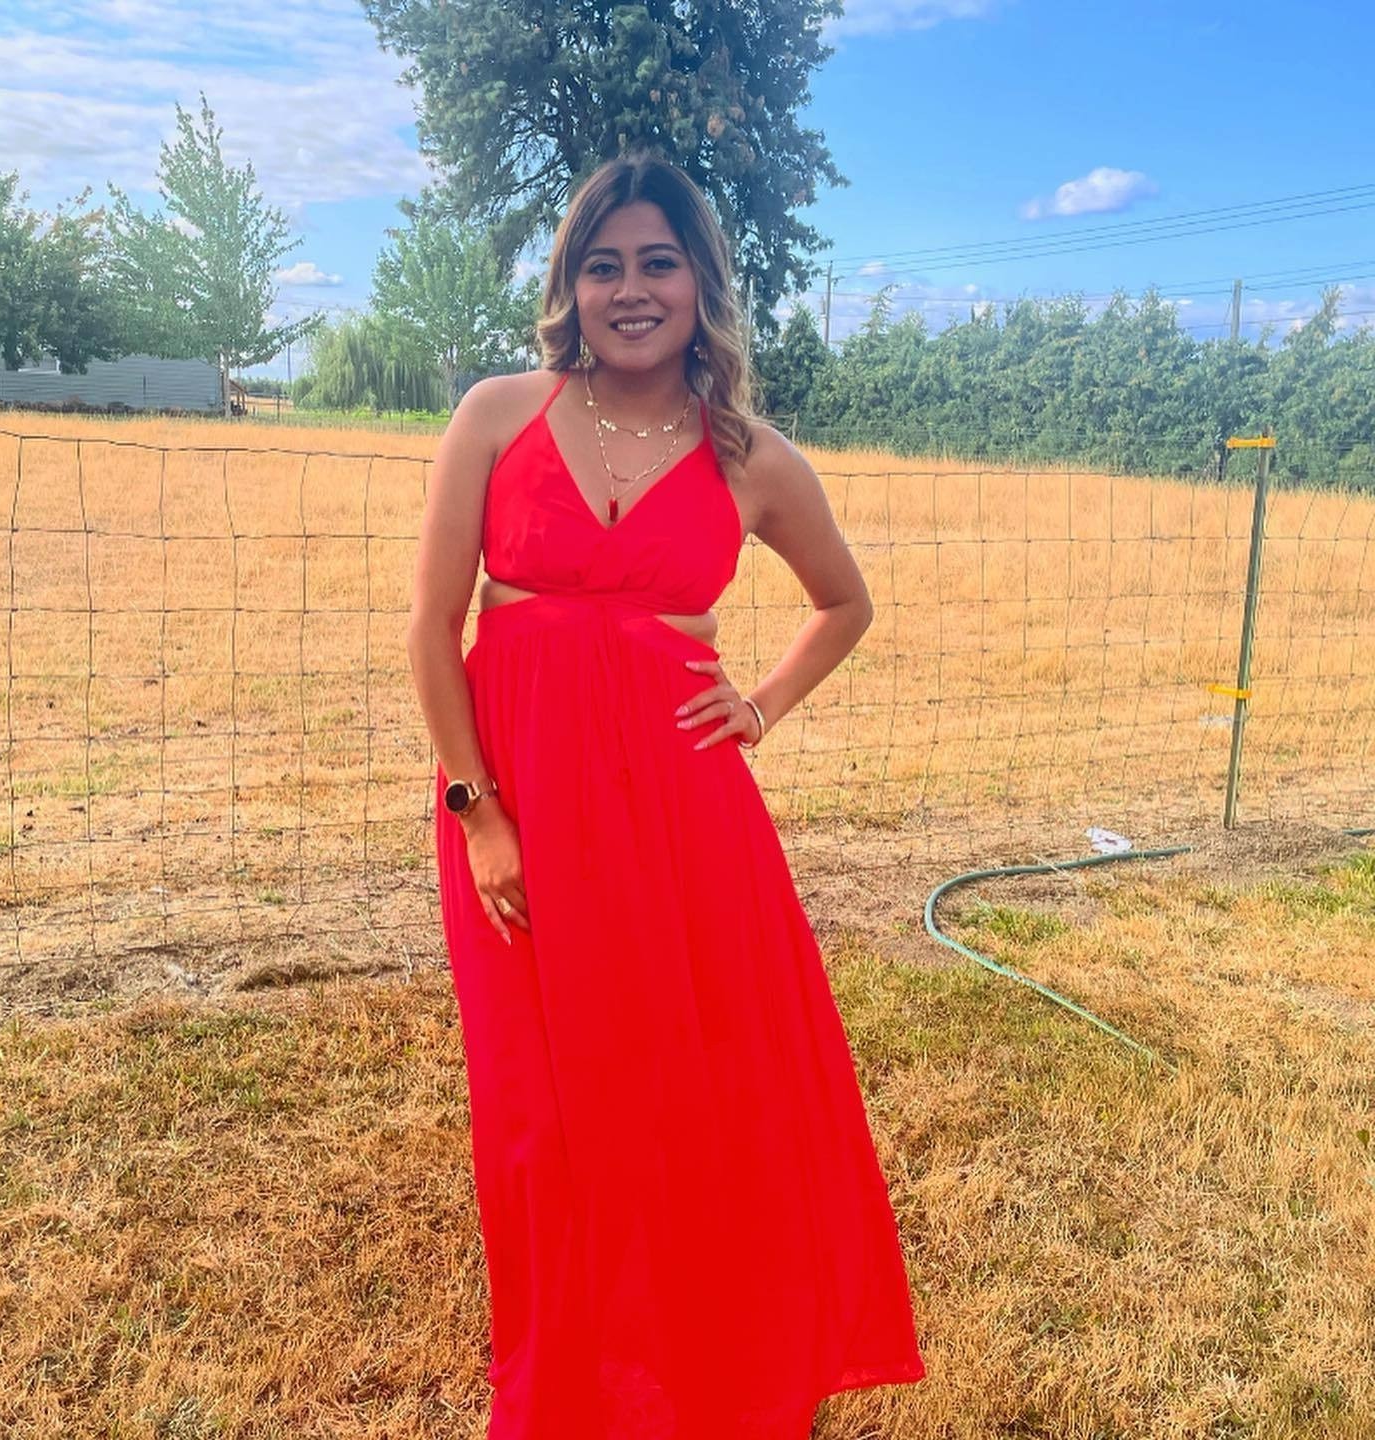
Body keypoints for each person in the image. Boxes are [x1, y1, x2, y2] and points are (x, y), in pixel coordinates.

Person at [406, 148, 925, 1439]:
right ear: (570, 288)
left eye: (657, 263)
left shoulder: (752, 459)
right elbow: (430, 629)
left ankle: (699, 1383)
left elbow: (844, 604)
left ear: (701, 285)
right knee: (541, 1124)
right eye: (603, 266)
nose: (630, 290)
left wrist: (760, 705)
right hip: (518, 813)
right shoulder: (497, 416)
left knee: (695, 1102)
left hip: (685, 822)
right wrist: (479, 811)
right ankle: (568, 1395)